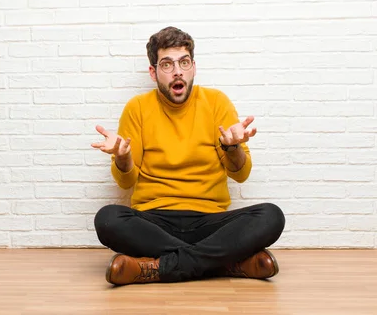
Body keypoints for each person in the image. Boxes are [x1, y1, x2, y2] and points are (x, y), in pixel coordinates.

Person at [91, 26, 285, 285]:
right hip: (155, 220)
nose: (177, 71)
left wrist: (232, 147)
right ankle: (226, 263)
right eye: (167, 64)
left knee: (271, 216)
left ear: (193, 66)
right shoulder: (137, 108)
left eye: (183, 62)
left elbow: (241, 174)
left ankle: (154, 268)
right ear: (153, 72)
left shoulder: (217, 102)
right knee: (107, 219)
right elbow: (126, 182)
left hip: (210, 220)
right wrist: (123, 158)